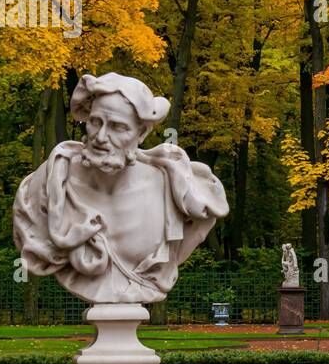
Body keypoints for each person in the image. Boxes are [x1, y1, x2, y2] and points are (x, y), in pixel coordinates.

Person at [14, 73, 228, 304]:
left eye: (118, 127)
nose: (101, 137)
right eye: (95, 122)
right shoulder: (49, 184)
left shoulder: (173, 189)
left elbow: (199, 225)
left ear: (142, 133)